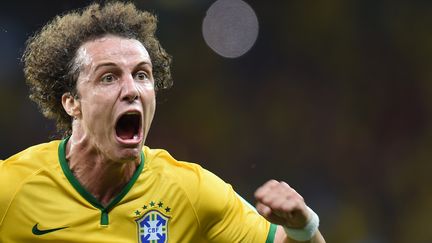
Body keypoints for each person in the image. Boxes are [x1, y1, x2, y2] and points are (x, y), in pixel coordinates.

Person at [0, 2, 325, 243]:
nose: (131, 90)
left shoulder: (192, 192)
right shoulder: (10, 189)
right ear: (72, 102)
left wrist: (302, 226)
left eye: (142, 75)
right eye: (109, 77)